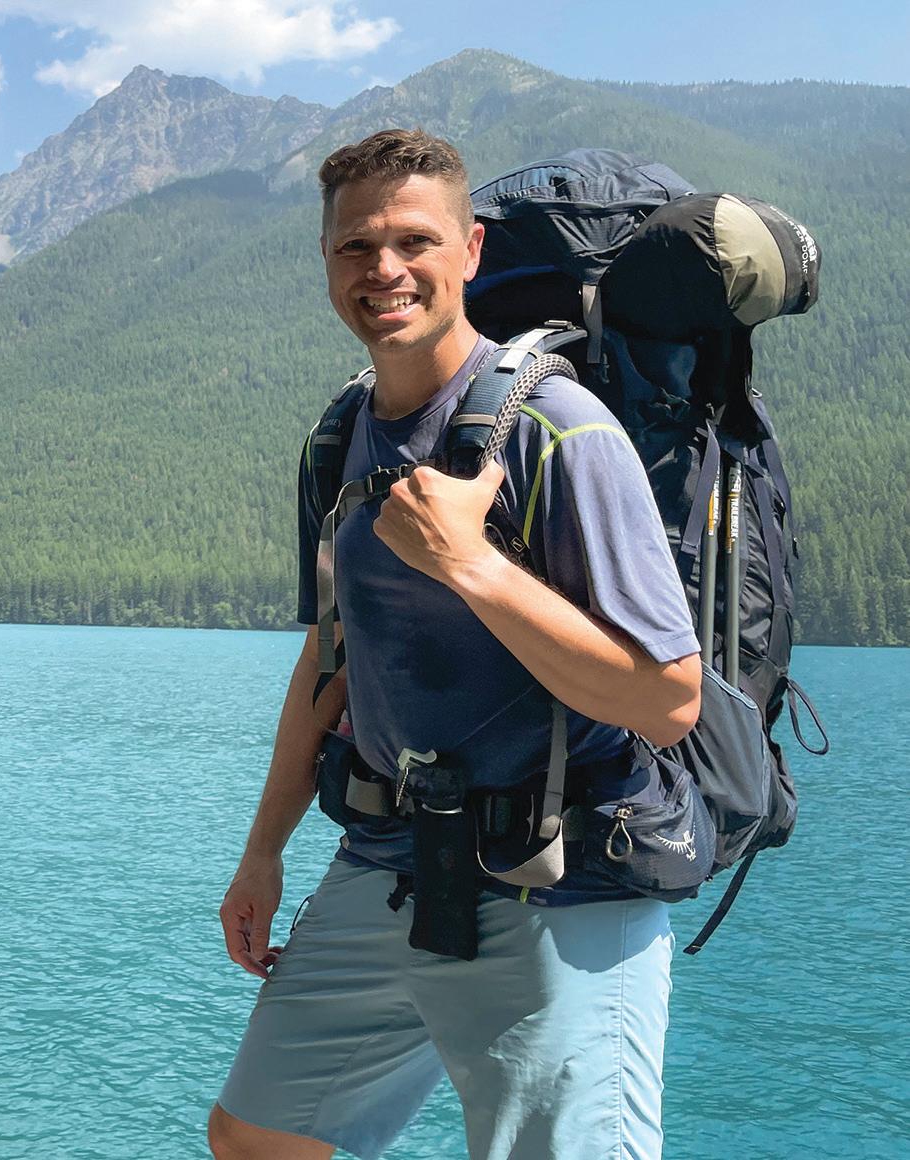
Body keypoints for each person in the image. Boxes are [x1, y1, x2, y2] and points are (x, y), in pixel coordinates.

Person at [206, 129, 703, 1160]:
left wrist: (470, 564)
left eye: (413, 240)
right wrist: (262, 853)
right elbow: (330, 659)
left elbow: (667, 700)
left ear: (469, 250)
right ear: (325, 260)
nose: (383, 268)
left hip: (557, 881)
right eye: (355, 246)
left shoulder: (558, 430)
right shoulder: (339, 439)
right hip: (389, 862)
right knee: (258, 1137)